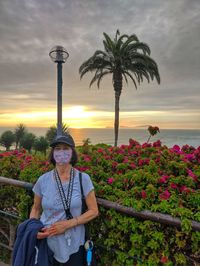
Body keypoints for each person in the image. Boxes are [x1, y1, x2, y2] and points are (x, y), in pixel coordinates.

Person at [29, 134, 99, 266]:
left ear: (72, 152)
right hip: (47, 243)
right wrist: (33, 229)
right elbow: (36, 208)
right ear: (52, 153)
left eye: (66, 148)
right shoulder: (42, 180)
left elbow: (94, 211)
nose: (61, 152)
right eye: (57, 148)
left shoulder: (83, 179)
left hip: (74, 244)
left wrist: (68, 224)